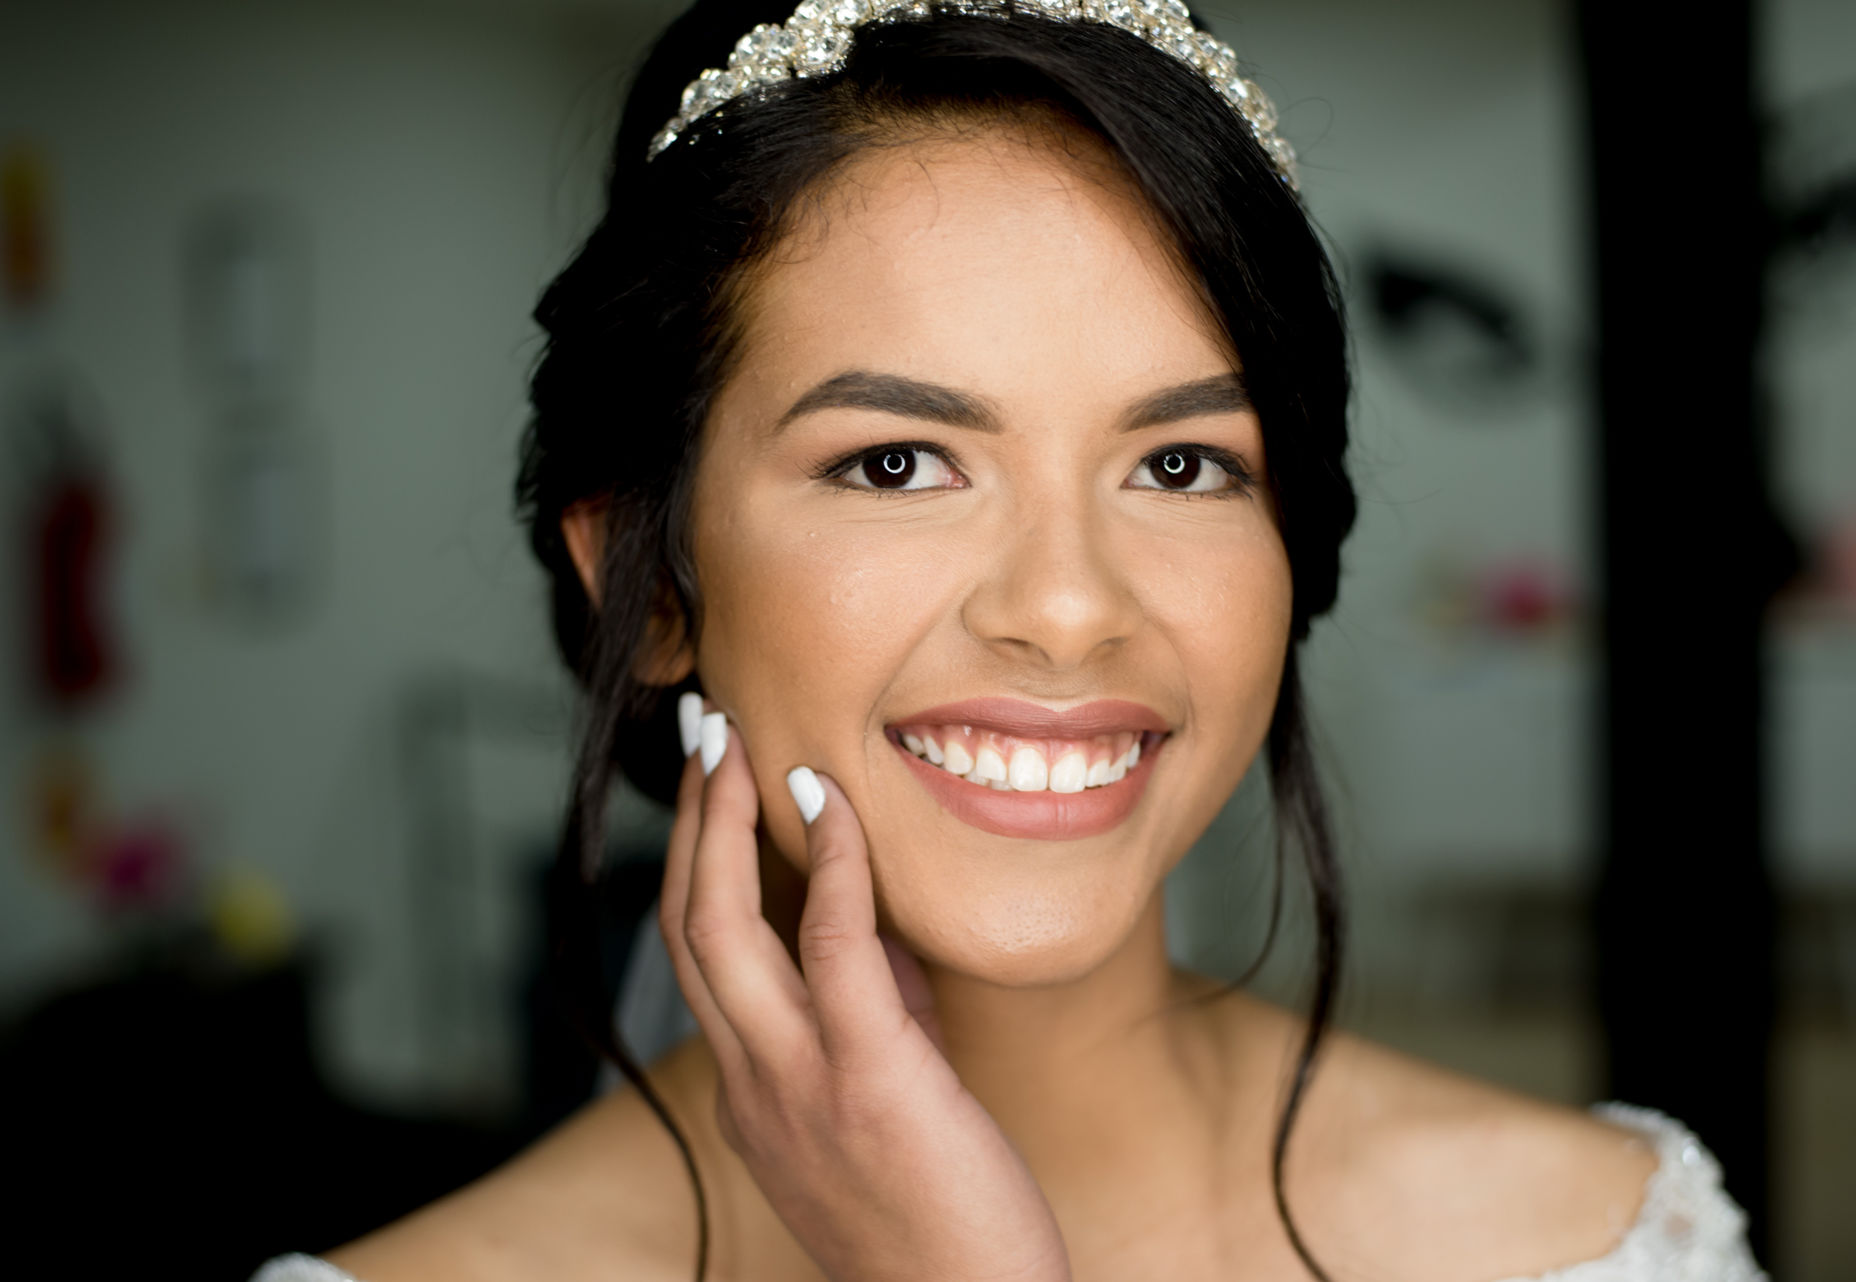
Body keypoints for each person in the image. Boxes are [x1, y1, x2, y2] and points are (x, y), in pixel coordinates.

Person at [256, 1, 1766, 1278]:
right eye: (899, 461)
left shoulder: (1593, 1235)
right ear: (649, 587)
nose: (1067, 604)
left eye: (1182, 465)